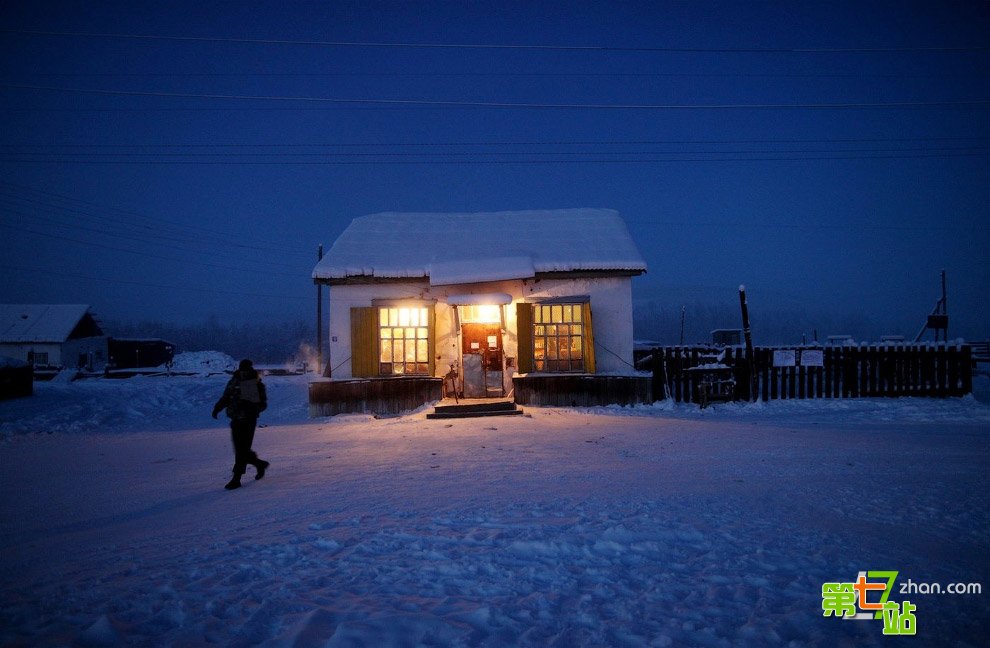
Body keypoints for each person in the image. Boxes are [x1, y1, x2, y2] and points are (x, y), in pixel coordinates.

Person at [212, 359, 270, 490]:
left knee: (241, 451)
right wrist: (217, 408)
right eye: (242, 370)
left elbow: (263, 404)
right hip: (236, 420)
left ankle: (236, 478)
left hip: (248, 421)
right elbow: (226, 397)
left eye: (246, 370)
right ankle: (259, 464)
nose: (244, 373)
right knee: (240, 449)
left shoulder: (256, 384)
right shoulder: (234, 382)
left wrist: (252, 407)